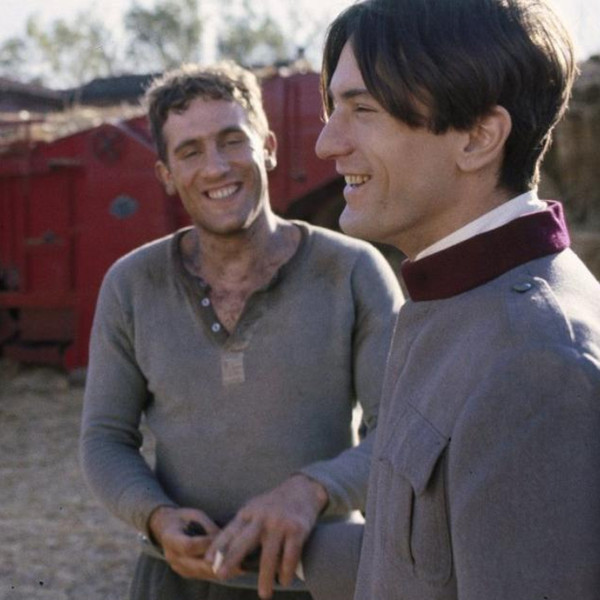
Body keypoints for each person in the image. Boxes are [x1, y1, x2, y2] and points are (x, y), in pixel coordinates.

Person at [79, 61, 402, 600]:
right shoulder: (132, 284)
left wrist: (313, 490)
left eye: (232, 141)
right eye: (190, 152)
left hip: (318, 578)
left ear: (268, 147)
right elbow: (105, 439)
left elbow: (399, 433)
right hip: (177, 581)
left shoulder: (351, 271)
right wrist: (155, 516)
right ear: (166, 174)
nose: (216, 167)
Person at [315, 0, 600, 598]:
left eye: (363, 109)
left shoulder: (537, 363)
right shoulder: (459, 297)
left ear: (477, 138)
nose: (326, 143)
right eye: (333, 108)